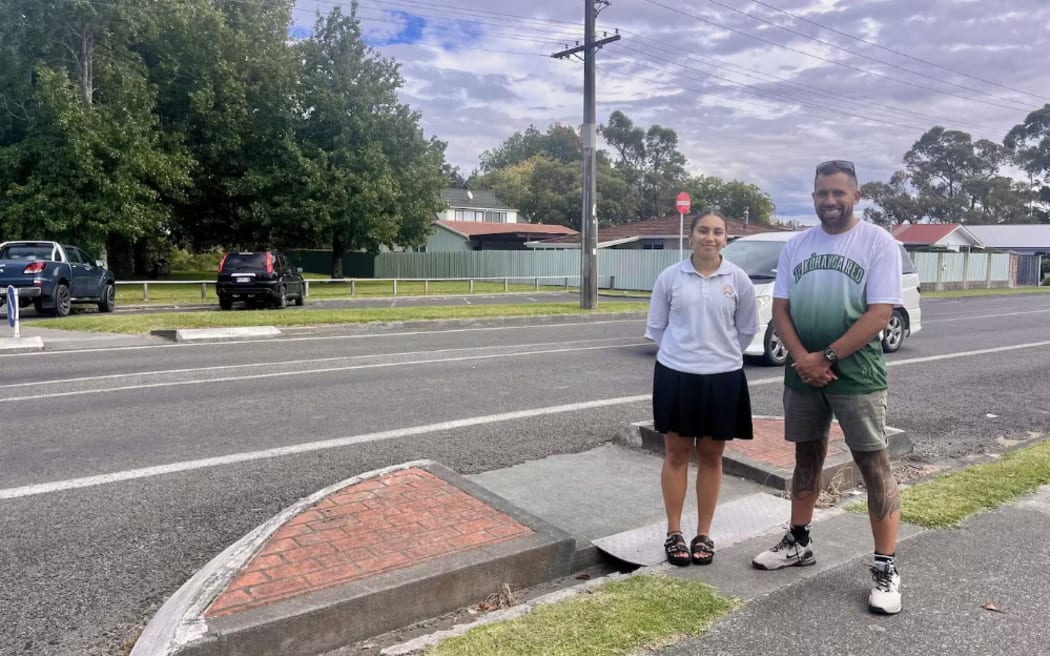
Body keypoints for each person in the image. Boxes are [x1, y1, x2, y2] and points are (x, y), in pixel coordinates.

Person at [751, 160, 904, 615]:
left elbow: (880, 313)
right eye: (822, 193)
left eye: (839, 193)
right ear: (813, 196)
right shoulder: (797, 244)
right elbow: (781, 309)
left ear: (856, 196)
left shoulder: (878, 242)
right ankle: (799, 541)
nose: (830, 201)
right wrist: (802, 358)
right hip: (803, 371)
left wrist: (828, 356)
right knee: (806, 457)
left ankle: (885, 567)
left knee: (874, 465)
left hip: (856, 375)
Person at [646, 210, 759, 567]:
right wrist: (687, 355)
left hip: (723, 377)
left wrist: (716, 356)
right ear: (691, 235)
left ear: (726, 238)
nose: (710, 237)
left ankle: (704, 534)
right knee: (676, 454)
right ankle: (674, 532)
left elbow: (746, 330)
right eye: (703, 231)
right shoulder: (670, 277)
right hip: (676, 375)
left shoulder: (738, 280)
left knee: (711, 456)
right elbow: (658, 327)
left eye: (718, 232)